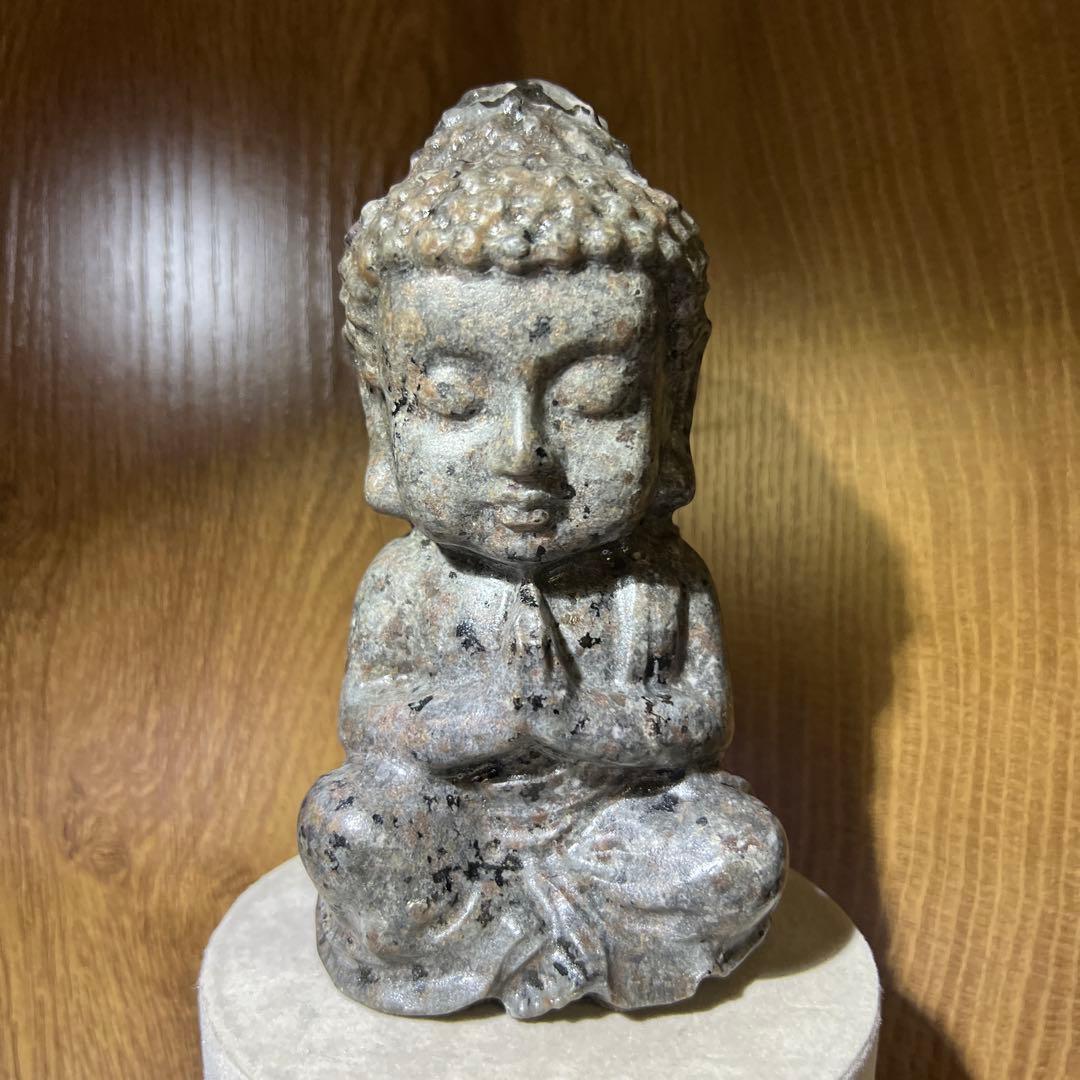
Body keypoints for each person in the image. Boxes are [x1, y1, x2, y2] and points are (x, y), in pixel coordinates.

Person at [298, 80, 786, 1018]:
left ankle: (541, 942)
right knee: (348, 823)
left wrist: (577, 722)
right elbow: (371, 725)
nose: (526, 453)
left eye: (596, 398)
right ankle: (537, 940)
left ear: (671, 403)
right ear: (382, 410)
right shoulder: (411, 583)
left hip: (612, 825)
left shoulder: (661, 580)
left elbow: (698, 722)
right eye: (453, 400)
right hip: (457, 830)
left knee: (738, 848)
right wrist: (489, 719)